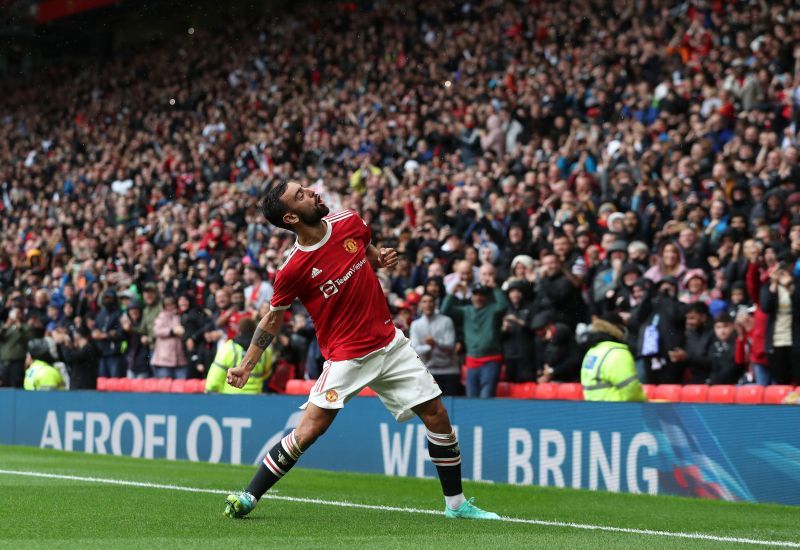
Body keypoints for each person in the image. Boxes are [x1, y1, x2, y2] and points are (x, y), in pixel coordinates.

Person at [223, 181, 498, 520]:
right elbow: (272, 318)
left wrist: (377, 258)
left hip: (389, 344)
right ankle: (249, 496)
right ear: (292, 217)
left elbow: (364, 247)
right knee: (309, 431)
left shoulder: (349, 221)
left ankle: (456, 505)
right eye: (301, 195)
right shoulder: (293, 268)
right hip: (346, 357)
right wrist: (248, 365)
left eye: (306, 188)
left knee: (437, 416)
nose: (312, 193)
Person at [441, 281, 508, 398]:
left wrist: (495, 288)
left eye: (481, 295)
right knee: (471, 397)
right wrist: (452, 293)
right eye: (475, 294)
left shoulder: (493, 309)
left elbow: (503, 305)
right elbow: (445, 310)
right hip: (472, 361)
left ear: (487, 297)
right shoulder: (467, 310)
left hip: (490, 360)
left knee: (486, 396)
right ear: (472, 297)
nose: (478, 297)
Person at [581, 313, 646, 402]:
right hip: (617, 410)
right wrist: (645, 403)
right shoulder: (618, 353)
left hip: (595, 409)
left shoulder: (593, 351)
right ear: (618, 328)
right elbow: (631, 389)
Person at [409, 293, 460, 395]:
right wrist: (429, 346)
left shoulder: (446, 321)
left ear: (435, 304)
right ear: (420, 305)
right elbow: (414, 349)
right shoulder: (415, 324)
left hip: (449, 371)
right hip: (426, 371)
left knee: (450, 406)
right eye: (424, 301)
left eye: (430, 301)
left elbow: (450, 345)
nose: (428, 304)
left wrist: (435, 342)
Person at [206, 317, 272, 394]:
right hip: (255, 397)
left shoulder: (228, 347)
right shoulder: (265, 350)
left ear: (238, 330)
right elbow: (266, 373)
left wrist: (210, 391)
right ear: (255, 330)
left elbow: (215, 376)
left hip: (231, 398)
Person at [151, 296, 189, 379]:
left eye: (172, 304)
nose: (170, 307)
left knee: (181, 385)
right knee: (165, 386)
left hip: (179, 357)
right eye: (167, 305)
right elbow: (157, 330)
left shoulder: (178, 316)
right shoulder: (161, 316)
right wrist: (171, 331)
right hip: (164, 358)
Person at [53, 325, 98, 390]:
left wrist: (64, 342)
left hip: (85, 387)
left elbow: (70, 357)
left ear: (78, 336)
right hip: (78, 386)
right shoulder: (80, 349)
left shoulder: (89, 349)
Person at [0, 303, 35, 388]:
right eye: (14, 312)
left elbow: (29, 338)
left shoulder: (26, 327)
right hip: (3, 361)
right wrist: (6, 326)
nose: (16, 315)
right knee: (3, 384)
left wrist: (19, 326)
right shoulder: (5, 327)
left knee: (16, 384)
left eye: (18, 313)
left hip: (18, 361)